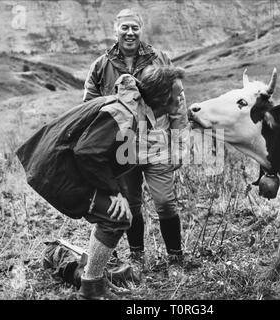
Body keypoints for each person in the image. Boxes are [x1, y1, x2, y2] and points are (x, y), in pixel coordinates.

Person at [16, 66, 186, 300]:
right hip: (58, 169)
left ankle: (92, 279)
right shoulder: (125, 114)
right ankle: (91, 289)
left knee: (116, 212)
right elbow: (87, 152)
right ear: (162, 97)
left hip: (63, 165)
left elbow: (102, 153)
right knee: (117, 216)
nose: (181, 97)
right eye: (177, 93)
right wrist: (113, 192)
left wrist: (117, 191)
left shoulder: (134, 108)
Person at [83, 8, 192, 267]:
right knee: (131, 206)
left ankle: (175, 260)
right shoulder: (101, 66)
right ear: (116, 30)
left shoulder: (161, 59)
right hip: (122, 148)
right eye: (125, 28)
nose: (130, 33)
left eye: (135, 27)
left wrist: (179, 144)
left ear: (141, 29)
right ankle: (137, 256)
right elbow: (88, 108)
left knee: (165, 203)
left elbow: (178, 104)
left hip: (157, 145)